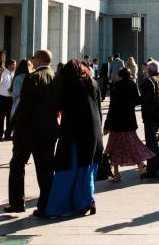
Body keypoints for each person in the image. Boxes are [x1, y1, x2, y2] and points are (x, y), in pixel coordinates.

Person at [44, 59, 103, 218]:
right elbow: (98, 106)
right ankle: (87, 201)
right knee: (87, 169)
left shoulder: (68, 84)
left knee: (67, 171)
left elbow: (57, 106)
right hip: (93, 131)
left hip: (74, 132)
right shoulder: (93, 83)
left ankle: (59, 207)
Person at [6, 49, 59, 216]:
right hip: (49, 130)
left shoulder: (32, 77)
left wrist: (14, 128)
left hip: (29, 131)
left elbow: (24, 108)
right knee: (45, 168)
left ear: (40, 59)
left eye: (34, 57)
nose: (32, 60)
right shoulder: (56, 77)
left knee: (17, 164)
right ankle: (46, 205)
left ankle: (17, 203)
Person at [103, 67, 154, 182]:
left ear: (120, 76)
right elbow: (137, 100)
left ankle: (116, 174)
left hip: (117, 123)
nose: (116, 76)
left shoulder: (116, 87)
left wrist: (107, 125)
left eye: (117, 75)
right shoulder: (132, 85)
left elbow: (112, 108)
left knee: (114, 146)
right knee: (132, 144)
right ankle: (140, 166)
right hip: (129, 121)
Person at [140, 59, 159, 178]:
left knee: (150, 142)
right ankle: (156, 164)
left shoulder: (148, 81)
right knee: (153, 141)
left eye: (147, 68)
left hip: (151, 115)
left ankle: (153, 168)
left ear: (150, 70)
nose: (145, 70)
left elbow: (145, 99)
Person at [0, 58, 16, 141]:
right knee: (1, 117)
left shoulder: (14, 73)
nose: (15, 66)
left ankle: (8, 134)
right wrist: (1, 72)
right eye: (14, 64)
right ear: (9, 65)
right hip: (2, 98)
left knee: (10, 117)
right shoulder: (2, 72)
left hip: (11, 98)